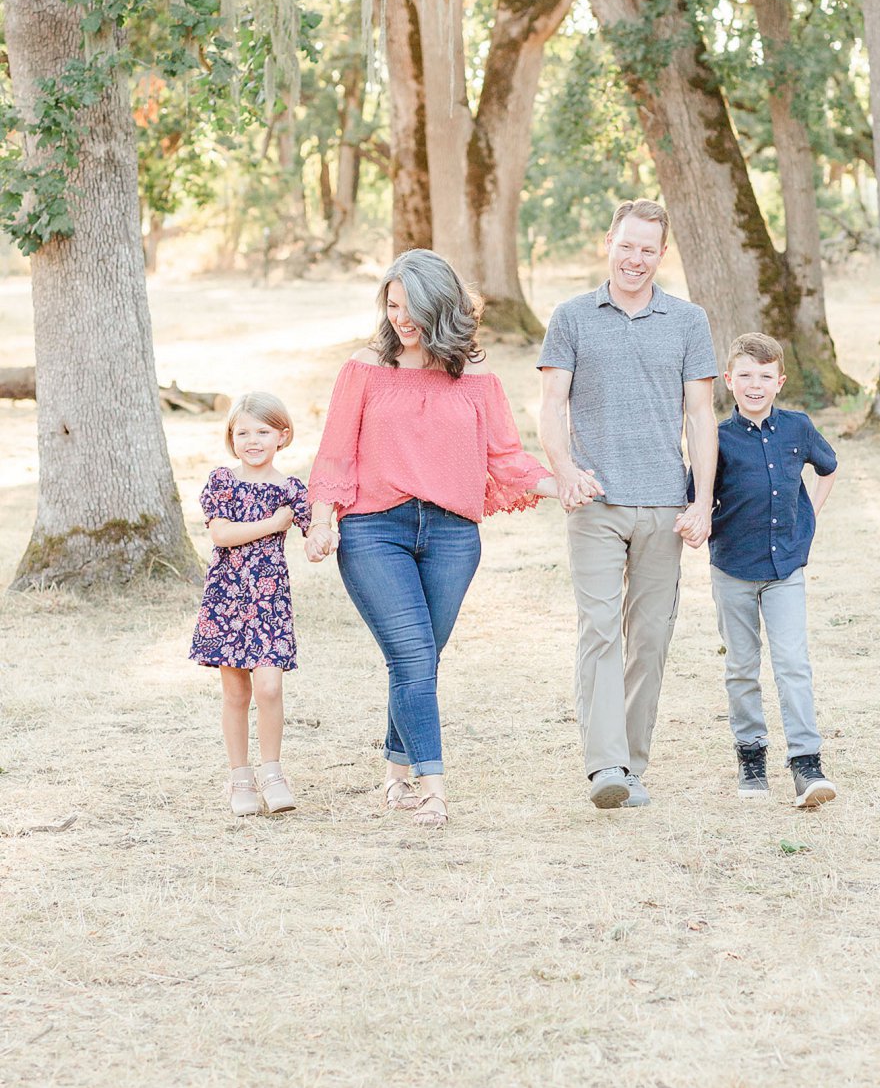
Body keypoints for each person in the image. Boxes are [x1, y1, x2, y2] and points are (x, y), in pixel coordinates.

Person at [308, 249, 559, 830]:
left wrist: (562, 484)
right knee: (415, 655)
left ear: (440, 307)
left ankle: (395, 771)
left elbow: (507, 459)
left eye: (411, 306)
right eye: (392, 305)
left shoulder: (477, 381)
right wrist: (324, 520)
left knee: (418, 658)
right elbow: (335, 453)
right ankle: (432, 787)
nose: (400, 318)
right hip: (374, 531)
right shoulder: (364, 370)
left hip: (451, 536)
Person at [538, 200, 718, 810]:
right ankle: (605, 768)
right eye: (627, 245)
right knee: (598, 632)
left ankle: (632, 765)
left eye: (648, 249)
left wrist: (703, 500)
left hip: (666, 504)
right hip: (595, 501)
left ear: (661, 255)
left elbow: (700, 414)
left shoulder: (689, 321)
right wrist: (564, 470)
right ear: (608, 242)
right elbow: (551, 405)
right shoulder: (571, 317)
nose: (635, 259)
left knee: (649, 638)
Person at [698, 332, 840, 807]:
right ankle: (751, 756)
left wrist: (811, 515)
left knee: (793, 664)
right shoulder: (715, 438)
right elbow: (698, 495)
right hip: (734, 567)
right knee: (741, 667)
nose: (754, 385)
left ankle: (806, 763)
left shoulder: (798, 428)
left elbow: (828, 468)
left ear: (779, 381)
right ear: (728, 381)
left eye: (764, 377)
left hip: (785, 568)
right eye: (745, 376)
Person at [190, 393, 310, 817]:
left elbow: (317, 532)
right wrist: (275, 525)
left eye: (262, 431)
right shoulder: (223, 481)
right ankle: (240, 777)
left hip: (269, 599)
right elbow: (221, 534)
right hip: (227, 598)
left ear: (283, 435)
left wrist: (321, 537)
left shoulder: (293, 488)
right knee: (236, 692)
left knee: (269, 686)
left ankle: (273, 772)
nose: (253, 440)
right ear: (231, 437)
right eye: (243, 432)